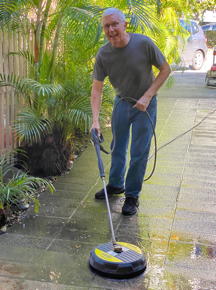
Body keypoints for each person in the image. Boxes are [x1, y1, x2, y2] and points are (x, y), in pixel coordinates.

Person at [90, 8, 171, 216]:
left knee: (139, 152)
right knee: (117, 147)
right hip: (122, 103)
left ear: (125, 24)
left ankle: (132, 196)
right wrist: (95, 121)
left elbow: (165, 70)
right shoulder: (104, 54)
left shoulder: (143, 44)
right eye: (107, 26)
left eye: (115, 24)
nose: (111, 29)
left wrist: (148, 95)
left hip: (145, 105)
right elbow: (97, 88)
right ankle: (116, 185)